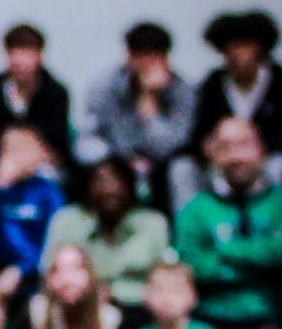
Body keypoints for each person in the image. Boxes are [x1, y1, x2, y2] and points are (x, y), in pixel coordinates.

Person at [173, 118, 282, 329]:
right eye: (225, 148)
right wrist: (257, 261)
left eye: (244, 145)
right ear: (212, 154)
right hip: (212, 317)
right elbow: (195, 266)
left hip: (272, 312)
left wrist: (223, 250)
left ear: (262, 150)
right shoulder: (196, 209)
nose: (236, 157)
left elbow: (281, 255)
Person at [77, 22, 197, 210]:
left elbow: (170, 145)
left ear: (166, 59)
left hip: (162, 166)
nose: (146, 65)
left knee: (183, 169)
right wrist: (120, 158)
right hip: (116, 158)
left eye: (154, 57)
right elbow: (86, 140)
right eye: (140, 56)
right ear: (129, 56)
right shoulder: (105, 85)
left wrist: (150, 102)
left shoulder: (182, 91)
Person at [41, 156, 171, 316]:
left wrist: (114, 292)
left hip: (138, 312)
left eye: (118, 181)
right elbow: (47, 274)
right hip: (75, 308)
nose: (110, 189)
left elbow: (165, 284)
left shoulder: (153, 223)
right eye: (101, 181)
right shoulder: (67, 220)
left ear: (131, 187)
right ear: (87, 187)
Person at [190, 11, 282, 183]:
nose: (236, 54)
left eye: (244, 46)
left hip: (265, 160)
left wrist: (252, 150)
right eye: (231, 47)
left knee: (279, 165)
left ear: (261, 49)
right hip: (221, 161)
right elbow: (200, 131)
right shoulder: (212, 85)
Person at [0, 22, 72, 195]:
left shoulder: (55, 93)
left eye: (26, 52)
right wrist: (1, 163)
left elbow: (56, 146)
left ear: (39, 55)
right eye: (14, 52)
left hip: (39, 166)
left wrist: (21, 165)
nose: (19, 60)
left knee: (50, 177)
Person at [0, 125, 65, 323]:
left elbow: (54, 240)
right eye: (12, 150)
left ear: (41, 153)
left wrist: (21, 270)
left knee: (35, 303)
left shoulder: (49, 193)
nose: (19, 157)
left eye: (26, 149)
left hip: (37, 272)